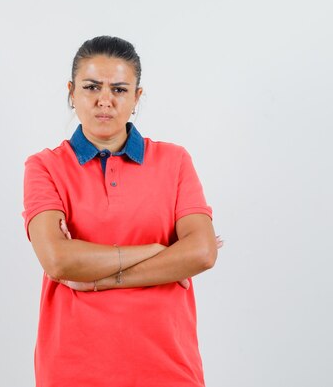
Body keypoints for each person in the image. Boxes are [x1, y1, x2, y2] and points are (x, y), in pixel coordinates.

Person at [22, 35, 220, 387]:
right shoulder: (45, 167)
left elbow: (202, 253)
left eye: (119, 90)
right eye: (91, 86)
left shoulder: (174, 162)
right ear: (71, 92)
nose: (104, 100)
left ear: (137, 97)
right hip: (73, 368)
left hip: (168, 366)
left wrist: (94, 279)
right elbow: (58, 260)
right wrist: (160, 253)